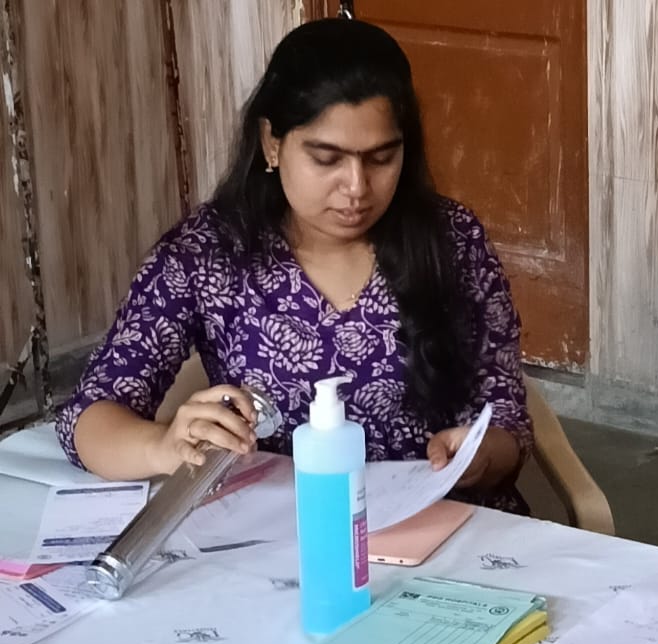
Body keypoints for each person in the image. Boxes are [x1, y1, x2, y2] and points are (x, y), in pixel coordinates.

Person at [55, 18, 530, 512]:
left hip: (447, 526)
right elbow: (88, 419)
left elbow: (508, 422)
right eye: (326, 159)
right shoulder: (209, 253)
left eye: (380, 158)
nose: (356, 187)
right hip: (290, 531)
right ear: (272, 142)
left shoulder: (453, 241)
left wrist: (479, 457)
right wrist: (165, 445)